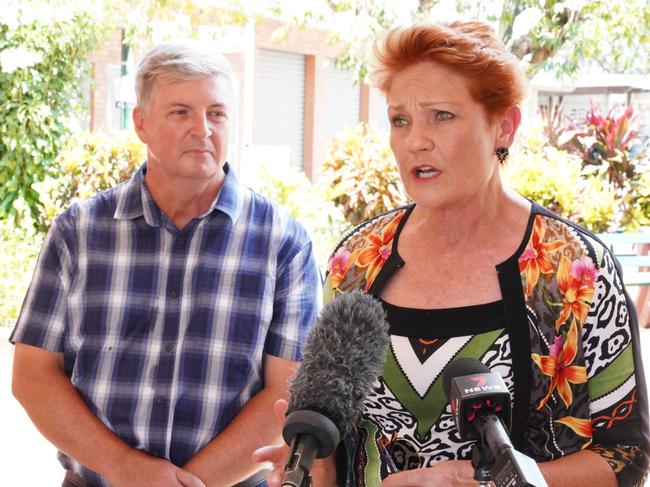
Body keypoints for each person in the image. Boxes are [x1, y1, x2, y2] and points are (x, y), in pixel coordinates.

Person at [253, 20, 649, 487]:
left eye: (441, 115)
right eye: (400, 119)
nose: (415, 139)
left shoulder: (574, 269)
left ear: (504, 126)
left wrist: (478, 481)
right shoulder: (356, 260)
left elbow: (625, 457)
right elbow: (341, 451)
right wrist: (315, 463)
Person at [10, 41, 322, 487]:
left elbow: (288, 392)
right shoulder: (78, 233)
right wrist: (123, 466)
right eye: (180, 112)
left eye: (216, 113)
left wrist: (189, 483)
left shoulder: (283, 243)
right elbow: (33, 376)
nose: (202, 129)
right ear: (141, 123)